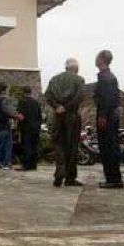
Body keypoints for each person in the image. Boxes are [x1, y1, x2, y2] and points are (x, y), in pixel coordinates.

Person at [45, 58, 85, 186]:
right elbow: (79, 97)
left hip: (57, 117)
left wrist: (57, 106)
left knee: (59, 144)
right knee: (72, 147)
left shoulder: (54, 79)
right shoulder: (79, 80)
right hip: (72, 117)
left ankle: (59, 173)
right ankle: (70, 178)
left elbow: (47, 95)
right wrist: (66, 107)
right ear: (75, 68)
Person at [94, 50, 124, 189]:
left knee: (108, 147)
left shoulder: (106, 78)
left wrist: (102, 116)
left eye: (97, 57)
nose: (95, 59)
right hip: (109, 115)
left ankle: (113, 180)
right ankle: (112, 178)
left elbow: (106, 99)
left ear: (102, 59)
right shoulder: (107, 76)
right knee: (109, 147)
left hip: (107, 116)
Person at [0, 83, 23, 170]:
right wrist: (17, 116)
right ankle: (6, 163)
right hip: (4, 125)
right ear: (4, 90)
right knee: (7, 146)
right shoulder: (4, 99)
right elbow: (7, 111)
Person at [16, 86, 42, 171]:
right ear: (30, 92)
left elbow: (21, 116)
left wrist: (18, 127)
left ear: (23, 92)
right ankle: (33, 165)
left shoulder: (22, 102)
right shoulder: (36, 102)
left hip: (26, 127)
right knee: (34, 146)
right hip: (36, 127)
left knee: (26, 146)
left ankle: (26, 165)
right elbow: (40, 116)